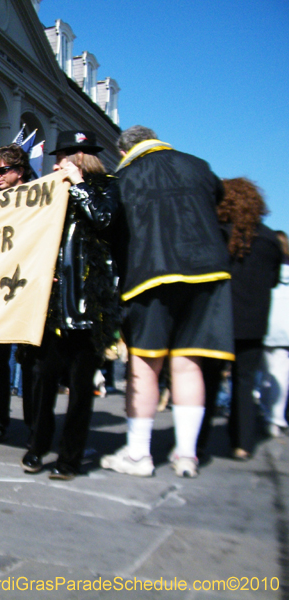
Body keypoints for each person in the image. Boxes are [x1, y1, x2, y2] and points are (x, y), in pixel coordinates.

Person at [100, 126, 234, 479]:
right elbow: (216, 201)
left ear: (124, 149)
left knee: (145, 366)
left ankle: (138, 454)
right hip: (207, 271)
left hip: (150, 272)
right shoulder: (198, 165)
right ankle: (186, 454)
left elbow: (114, 230)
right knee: (188, 364)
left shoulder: (124, 176)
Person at [20, 130, 120, 480]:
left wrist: (78, 184)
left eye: (63, 158)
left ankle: (70, 459)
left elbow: (104, 221)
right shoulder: (52, 192)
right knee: (42, 381)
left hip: (90, 310)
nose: (58, 164)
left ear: (79, 159)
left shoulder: (108, 187)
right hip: (53, 308)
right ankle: (37, 446)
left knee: (80, 390)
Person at [198, 179, 281, 460]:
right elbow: (271, 282)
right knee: (244, 384)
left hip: (219, 319)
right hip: (254, 322)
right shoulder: (270, 239)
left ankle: (197, 442)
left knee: (207, 382)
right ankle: (242, 443)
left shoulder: (218, 233)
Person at [0, 144, 36, 444]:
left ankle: (35, 425)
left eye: (2, 170)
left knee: (30, 361)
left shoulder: (40, 199)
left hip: (29, 289)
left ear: (20, 171)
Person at [260, 231, 289, 438]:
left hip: (264, 323)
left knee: (264, 373)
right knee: (280, 373)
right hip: (285, 327)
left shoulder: (264, 266)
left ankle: (267, 411)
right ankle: (276, 416)